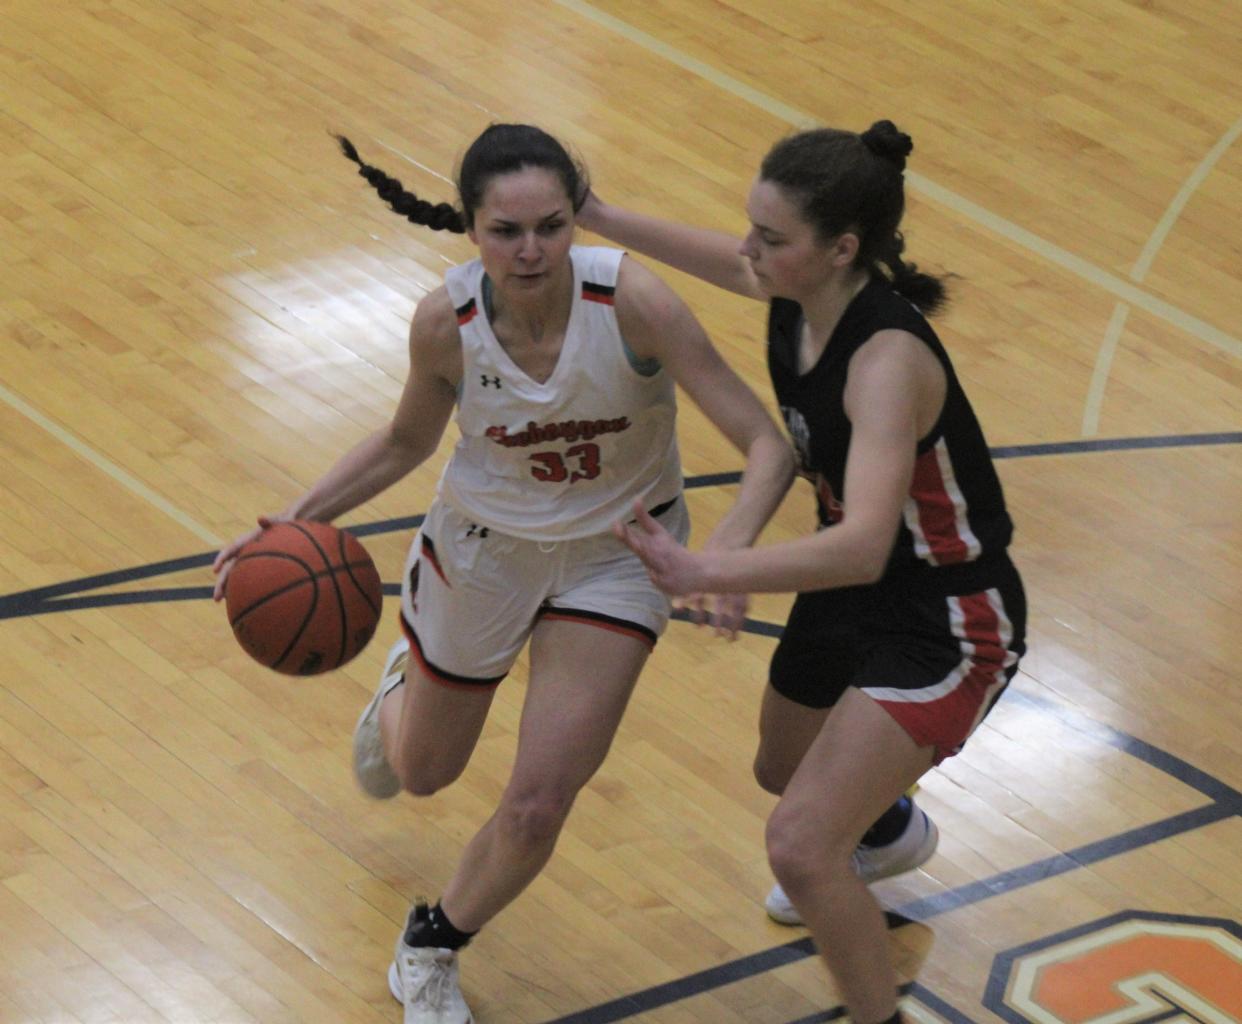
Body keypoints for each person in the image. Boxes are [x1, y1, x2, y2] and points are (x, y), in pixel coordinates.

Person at [213, 124, 794, 1024]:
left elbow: (765, 441)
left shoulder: (634, 301)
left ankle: (433, 944)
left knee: (536, 804)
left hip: (617, 564)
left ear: (574, 221)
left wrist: (725, 552)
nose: (531, 251)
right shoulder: (445, 324)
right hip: (484, 553)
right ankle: (400, 688)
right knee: (421, 774)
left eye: (552, 228)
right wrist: (292, 524)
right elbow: (405, 442)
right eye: (506, 231)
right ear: (471, 228)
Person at [578, 120, 1026, 1024]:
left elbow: (864, 542)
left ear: (841, 250)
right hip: (853, 590)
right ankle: (888, 828)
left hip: (944, 616)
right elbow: (719, 258)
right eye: (752, 226)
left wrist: (714, 562)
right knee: (782, 767)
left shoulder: (886, 362)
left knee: (800, 845)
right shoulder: (797, 290)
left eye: (771, 238)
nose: (749, 249)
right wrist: (596, 213)